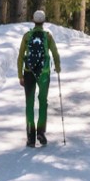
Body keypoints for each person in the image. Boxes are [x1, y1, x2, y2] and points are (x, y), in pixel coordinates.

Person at [16, 9, 61, 146]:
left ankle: (30, 137)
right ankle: (41, 132)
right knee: (42, 101)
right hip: (44, 73)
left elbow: (20, 57)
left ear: (33, 20)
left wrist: (20, 75)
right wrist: (57, 68)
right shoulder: (48, 36)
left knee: (29, 103)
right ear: (44, 22)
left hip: (29, 72)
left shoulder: (27, 36)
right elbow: (55, 53)